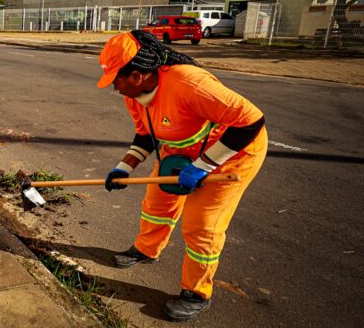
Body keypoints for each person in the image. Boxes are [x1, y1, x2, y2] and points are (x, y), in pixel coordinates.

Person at [97, 30, 267, 322]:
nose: (114, 86)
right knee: (156, 204)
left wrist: (204, 165)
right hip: (180, 152)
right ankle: (146, 250)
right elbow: (146, 135)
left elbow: (251, 121)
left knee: (201, 226)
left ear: (137, 75)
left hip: (232, 154)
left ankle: (198, 293)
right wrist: (124, 168)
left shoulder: (190, 83)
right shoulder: (135, 95)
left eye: (117, 79)